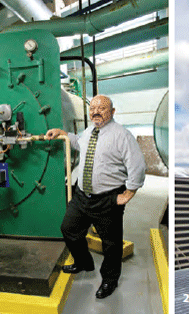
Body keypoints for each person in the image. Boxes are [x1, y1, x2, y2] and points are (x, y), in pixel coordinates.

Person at [45, 94, 146, 299]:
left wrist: (129, 193)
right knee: (69, 229)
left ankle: (110, 280)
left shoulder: (122, 135)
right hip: (83, 196)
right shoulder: (90, 131)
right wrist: (63, 133)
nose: (96, 112)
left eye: (102, 108)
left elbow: (137, 166)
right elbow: (79, 144)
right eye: (92, 108)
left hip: (107, 199)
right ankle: (84, 263)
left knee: (111, 244)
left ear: (112, 112)